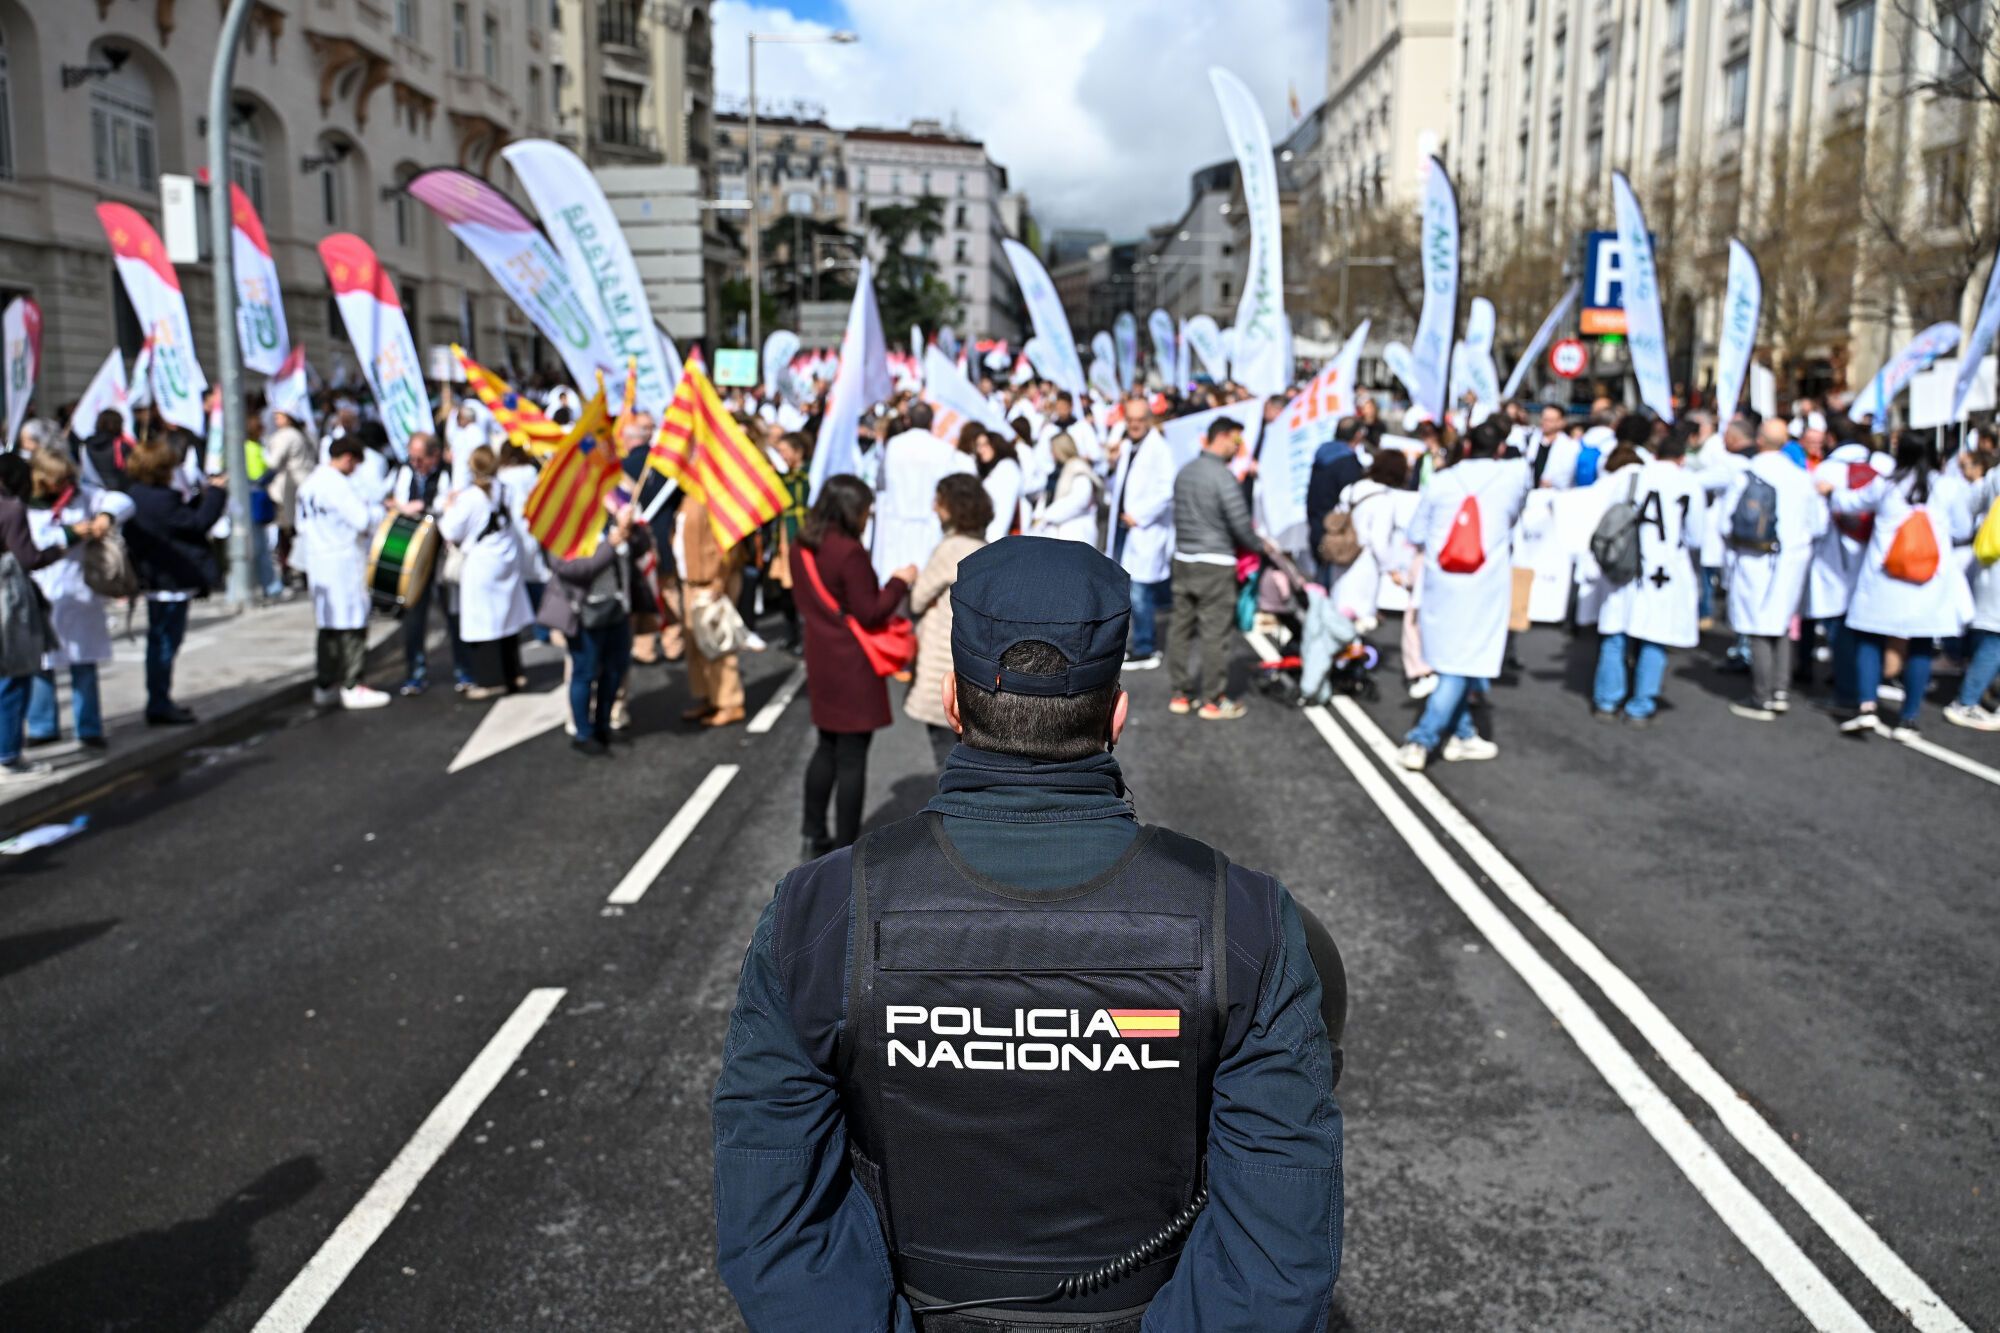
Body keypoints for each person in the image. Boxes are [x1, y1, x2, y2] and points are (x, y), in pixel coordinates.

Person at [713, 536, 1345, 1332]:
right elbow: (1277, 1255)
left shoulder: (818, 911)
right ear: (1117, 711)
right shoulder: (1244, 918)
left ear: (953, 704)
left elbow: (773, 1221)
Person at [1819, 430, 1972, 738]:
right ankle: (1908, 719)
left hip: (1884, 578)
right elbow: (1963, 527)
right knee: (1920, 645)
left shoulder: (1885, 485)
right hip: (1928, 581)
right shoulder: (1947, 487)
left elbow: (1848, 503)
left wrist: (1831, 490)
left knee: (1869, 638)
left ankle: (1867, 707)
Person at [791, 475, 915, 856]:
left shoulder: (802, 546)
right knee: (852, 757)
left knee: (826, 745)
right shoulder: (849, 552)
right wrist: (899, 582)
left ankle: (813, 831)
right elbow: (871, 610)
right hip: (853, 664)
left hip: (821, 655)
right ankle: (846, 846)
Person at [1397, 420, 1531, 770]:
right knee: (1462, 663)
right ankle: (1421, 739)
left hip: (1441, 582)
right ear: (1500, 447)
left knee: (1454, 660)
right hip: (1484, 584)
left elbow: (1417, 530)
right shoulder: (1513, 477)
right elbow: (1518, 508)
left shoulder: (1441, 481)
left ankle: (1464, 733)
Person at [0, 454, 110, 776]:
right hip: (8, 597)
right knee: (15, 674)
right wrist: (67, 541)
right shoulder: (11, 508)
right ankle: (8, 753)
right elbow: (29, 558)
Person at [1591, 420, 1707, 725]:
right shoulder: (1690, 483)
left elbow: (1609, 516)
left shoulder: (1633, 477)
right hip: (1666, 567)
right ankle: (1640, 705)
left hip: (1627, 563)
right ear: (1682, 457)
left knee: (1616, 631)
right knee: (1655, 636)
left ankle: (1607, 700)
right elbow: (1696, 536)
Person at [23, 450, 126, 750]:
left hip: (80, 592)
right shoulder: (26, 505)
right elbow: (32, 544)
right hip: (43, 590)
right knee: (42, 663)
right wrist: (70, 534)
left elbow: (121, 501)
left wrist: (105, 518)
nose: (63, 487)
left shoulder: (84, 496)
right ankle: (43, 726)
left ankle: (89, 727)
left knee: (84, 662)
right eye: (57, 481)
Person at [1722, 418, 1824, 721]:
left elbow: (1726, 521)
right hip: (1793, 559)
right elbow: (1818, 523)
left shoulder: (1748, 474)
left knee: (1758, 625)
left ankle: (1762, 696)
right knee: (1780, 623)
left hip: (1756, 557)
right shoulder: (1801, 476)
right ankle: (1780, 690)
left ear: (1760, 441)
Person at [123, 438, 230, 725]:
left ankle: (160, 700)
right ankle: (158, 703)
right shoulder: (159, 500)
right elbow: (195, 524)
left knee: (162, 642)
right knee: (164, 643)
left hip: (159, 577)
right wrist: (217, 494)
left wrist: (201, 496)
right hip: (168, 581)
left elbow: (182, 521)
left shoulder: (139, 494)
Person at [1166, 417, 1260, 720]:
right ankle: (1213, 699)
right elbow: (1240, 525)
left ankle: (1181, 694)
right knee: (1214, 632)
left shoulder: (1185, 472)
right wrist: (1260, 546)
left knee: (1180, 627)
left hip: (1184, 558)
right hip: (1216, 562)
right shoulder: (1223, 477)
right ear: (1221, 438)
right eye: (1236, 441)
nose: (1238, 448)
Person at [539, 501, 646, 755]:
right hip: (583, 614)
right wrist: (610, 545)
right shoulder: (560, 530)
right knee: (584, 673)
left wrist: (631, 530)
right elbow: (575, 568)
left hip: (616, 609)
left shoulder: (608, 519)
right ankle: (583, 732)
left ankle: (602, 723)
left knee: (614, 670)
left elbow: (639, 549)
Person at [295, 435, 392, 710]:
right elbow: (362, 519)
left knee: (328, 627)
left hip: (318, 560)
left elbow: (300, 526)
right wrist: (380, 511)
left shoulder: (309, 485)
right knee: (351, 623)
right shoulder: (337, 485)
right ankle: (352, 683)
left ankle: (325, 684)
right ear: (348, 459)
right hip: (344, 559)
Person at [905, 474, 992, 765]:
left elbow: (917, 598)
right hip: (978, 663)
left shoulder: (950, 549)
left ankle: (951, 810)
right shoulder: (986, 547)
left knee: (945, 755)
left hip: (944, 662)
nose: (934, 507)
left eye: (939, 501)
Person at [439, 445, 534, 701]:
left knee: (482, 623)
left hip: (482, 562)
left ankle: (491, 680)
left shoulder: (470, 497)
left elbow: (450, 530)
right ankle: (514, 672)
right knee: (507, 619)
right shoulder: (505, 488)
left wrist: (449, 507)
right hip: (506, 556)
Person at [388, 432, 463, 695]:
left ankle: (463, 670)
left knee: (453, 614)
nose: (415, 463)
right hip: (412, 554)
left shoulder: (448, 472)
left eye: (420, 458)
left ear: (434, 456)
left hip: (440, 554)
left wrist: (426, 505)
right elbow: (394, 501)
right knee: (413, 617)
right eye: (412, 458)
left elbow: (453, 502)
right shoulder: (404, 471)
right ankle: (415, 673)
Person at [1104, 393, 1173, 670]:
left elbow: (1167, 490)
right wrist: (1111, 464)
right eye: (1130, 420)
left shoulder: (1159, 448)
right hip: (1122, 528)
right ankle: (1132, 641)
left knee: (1141, 592)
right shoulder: (1127, 446)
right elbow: (1116, 487)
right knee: (1123, 586)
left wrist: (1140, 516)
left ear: (1149, 419)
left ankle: (1146, 647)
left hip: (1142, 528)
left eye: (1139, 420)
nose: (1134, 425)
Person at [871, 402, 976, 584]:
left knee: (894, 582)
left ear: (908, 420)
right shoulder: (944, 449)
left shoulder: (894, 445)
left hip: (897, 525)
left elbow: (881, 483)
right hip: (928, 526)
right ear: (931, 422)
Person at [679, 489, 751, 727]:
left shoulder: (715, 498)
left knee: (718, 643)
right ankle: (709, 696)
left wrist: (720, 578)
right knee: (696, 645)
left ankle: (730, 702)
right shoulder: (687, 497)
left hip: (710, 582)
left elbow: (729, 541)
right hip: (691, 580)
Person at [1947, 450, 2000, 729]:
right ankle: (1966, 701)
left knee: (1988, 633)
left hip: (1987, 562)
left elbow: (1970, 509)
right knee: (1994, 639)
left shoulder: (1993, 476)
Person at [1031, 431, 1102, 545]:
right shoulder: (1058, 471)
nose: (1051, 454)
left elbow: (1078, 500)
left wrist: (1048, 515)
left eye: (1053, 449)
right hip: (1055, 533)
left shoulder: (1078, 470)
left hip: (1075, 533)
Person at [973, 428, 1024, 543]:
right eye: (978, 445)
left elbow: (1004, 511)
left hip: (995, 540)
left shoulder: (1007, 468)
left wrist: (990, 543)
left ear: (996, 445)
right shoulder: (990, 470)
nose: (980, 450)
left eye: (985, 445)